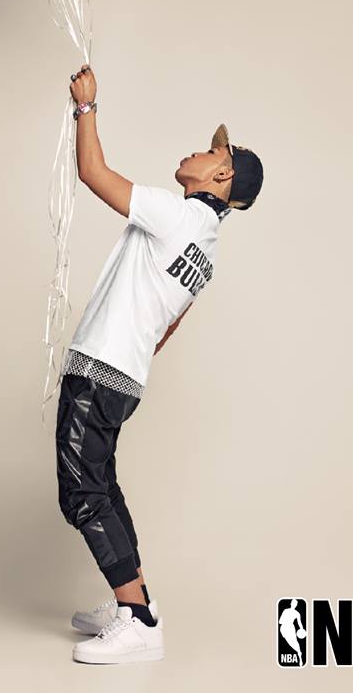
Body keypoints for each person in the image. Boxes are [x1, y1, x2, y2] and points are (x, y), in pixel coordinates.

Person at [56, 64, 264, 664]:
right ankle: (135, 600)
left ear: (222, 174)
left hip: (101, 368)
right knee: (101, 483)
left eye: (210, 152)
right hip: (123, 375)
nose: (196, 153)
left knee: (82, 491)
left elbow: (93, 173)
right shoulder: (207, 245)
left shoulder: (179, 216)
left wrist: (86, 106)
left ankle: (139, 621)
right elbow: (168, 324)